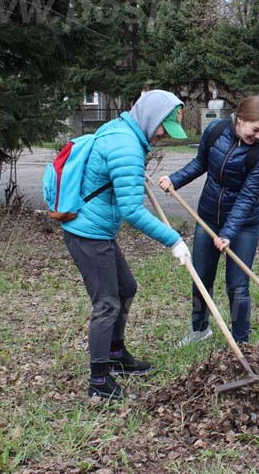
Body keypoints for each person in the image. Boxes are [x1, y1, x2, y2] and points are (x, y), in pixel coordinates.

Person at [62, 89, 192, 400]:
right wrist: (173, 239)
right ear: (150, 119)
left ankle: (116, 355)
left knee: (126, 288)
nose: (163, 136)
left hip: (96, 229)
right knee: (107, 303)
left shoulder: (121, 130)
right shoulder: (127, 146)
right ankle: (99, 381)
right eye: (163, 128)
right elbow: (131, 211)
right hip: (88, 233)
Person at [158, 96, 259, 346]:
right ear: (240, 120)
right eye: (255, 129)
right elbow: (201, 163)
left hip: (243, 226)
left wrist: (229, 233)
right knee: (201, 277)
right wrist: (175, 180)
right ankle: (199, 330)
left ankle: (241, 342)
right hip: (208, 217)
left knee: (238, 286)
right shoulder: (216, 130)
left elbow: (248, 195)